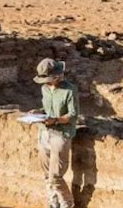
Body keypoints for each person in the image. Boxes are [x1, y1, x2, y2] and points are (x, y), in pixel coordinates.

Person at [32, 58, 79, 208]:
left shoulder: (69, 90)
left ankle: (67, 204)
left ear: (57, 76)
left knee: (56, 176)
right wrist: (37, 112)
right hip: (44, 133)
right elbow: (46, 109)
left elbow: (73, 115)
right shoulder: (45, 89)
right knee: (47, 174)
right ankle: (53, 203)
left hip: (60, 135)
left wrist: (56, 120)